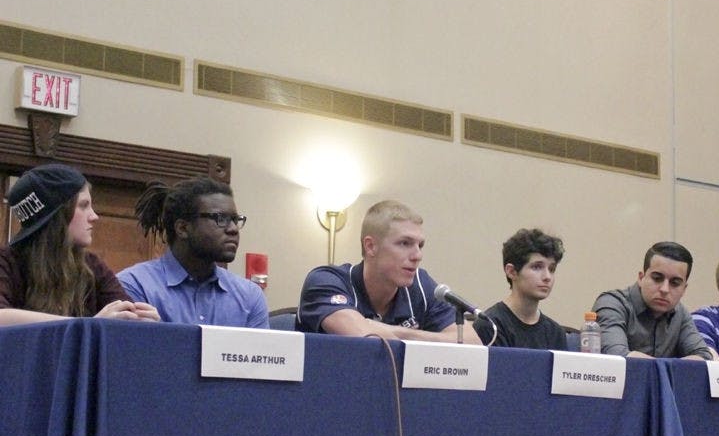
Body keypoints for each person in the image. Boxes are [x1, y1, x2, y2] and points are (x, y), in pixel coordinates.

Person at [297, 200, 479, 343]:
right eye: (404, 243)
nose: (417, 255)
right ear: (371, 246)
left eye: (420, 245)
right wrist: (432, 339)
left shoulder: (421, 285)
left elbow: (472, 343)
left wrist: (395, 331)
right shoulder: (326, 281)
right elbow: (367, 340)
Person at [0, 163, 159, 326]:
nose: (94, 216)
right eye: (83, 206)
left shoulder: (92, 265)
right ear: (56, 216)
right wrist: (86, 326)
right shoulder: (7, 261)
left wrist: (143, 322)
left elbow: (124, 314)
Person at [117, 178, 268, 328]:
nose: (233, 229)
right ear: (182, 228)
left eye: (235, 219)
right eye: (220, 218)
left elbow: (260, 351)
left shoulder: (249, 296)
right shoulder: (135, 284)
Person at [592, 241, 712, 359]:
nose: (665, 289)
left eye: (675, 283)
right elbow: (617, 356)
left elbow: (703, 356)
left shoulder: (680, 313)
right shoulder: (612, 304)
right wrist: (671, 369)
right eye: (657, 278)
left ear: (684, 289)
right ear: (641, 278)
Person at [473, 228, 567, 349]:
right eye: (537, 267)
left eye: (552, 269)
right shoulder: (490, 326)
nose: (547, 277)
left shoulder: (556, 333)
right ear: (511, 272)